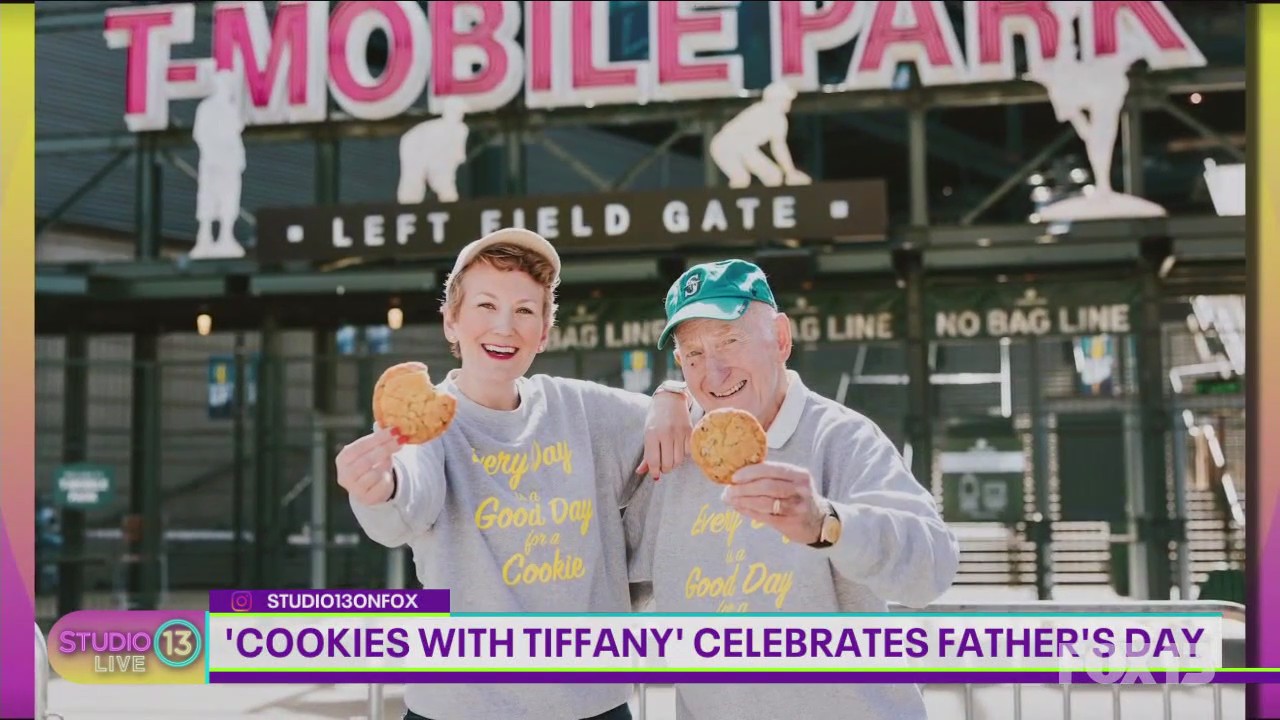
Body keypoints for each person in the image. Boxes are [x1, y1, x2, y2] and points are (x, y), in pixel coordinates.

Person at [336, 227, 693, 720]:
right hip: (458, 706)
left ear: (544, 332)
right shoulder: (425, 421)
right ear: (451, 321)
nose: (504, 327)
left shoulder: (583, 410)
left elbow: (703, 423)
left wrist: (674, 395)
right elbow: (401, 507)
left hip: (592, 703)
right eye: (485, 306)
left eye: (524, 310)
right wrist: (377, 489)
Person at [625, 259, 961, 720]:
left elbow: (933, 568)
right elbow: (613, 584)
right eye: (693, 355)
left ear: (781, 339)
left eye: (730, 341)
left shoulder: (841, 439)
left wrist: (828, 524)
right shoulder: (672, 454)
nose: (714, 373)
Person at [191, 69, 247, 259]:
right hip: (213, 161)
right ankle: (204, 237)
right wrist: (211, 153)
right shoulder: (207, 107)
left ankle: (226, 236)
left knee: (228, 199)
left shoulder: (232, 109)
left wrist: (239, 158)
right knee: (208, 198)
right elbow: (200, 134)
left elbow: (235, 136)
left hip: (229, 162)